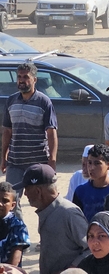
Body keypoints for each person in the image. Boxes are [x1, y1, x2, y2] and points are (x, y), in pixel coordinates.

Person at [22, 164, 88, 274]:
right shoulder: (46, 210)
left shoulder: (69, 213)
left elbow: (90, 250)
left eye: (27, 189)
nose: (25, 194)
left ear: (38, 191)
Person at [3, 61, 59, 195]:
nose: (22, 81)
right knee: (11, 199)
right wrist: (3, 157)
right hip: (15, 162)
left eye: (26, 77)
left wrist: (52, 160)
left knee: (41, 199)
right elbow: (7, 131)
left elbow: (51, 133)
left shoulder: (44, 102)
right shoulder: (11, 101)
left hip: (38, 163)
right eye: (19, 77)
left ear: (34, 79)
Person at [72, 144, 109, 221]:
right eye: (89, 163)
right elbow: (76, 220)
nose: (92, 168)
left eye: (97, 163)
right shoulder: (81, 191)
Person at [0, 181, 29, 267]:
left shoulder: (18, 226)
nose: (0, 204)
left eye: (5, 201)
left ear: (13, 205)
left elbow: (15, 261)